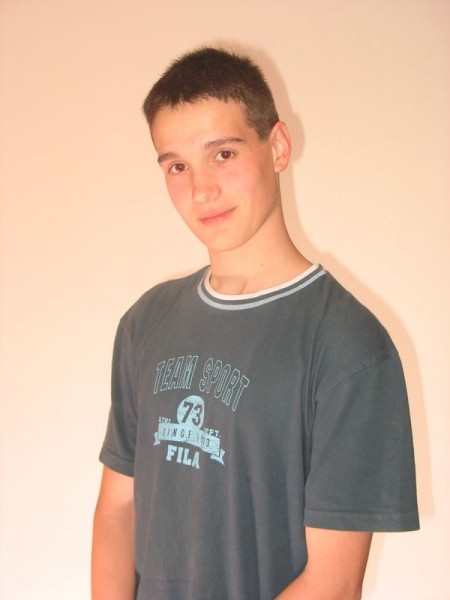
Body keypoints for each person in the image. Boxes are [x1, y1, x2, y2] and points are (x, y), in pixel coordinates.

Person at [91, 47, 419, 600]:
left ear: (279, 146)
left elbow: (333, 584)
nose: (201, 190)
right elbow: (117, 510)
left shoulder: (350, 346)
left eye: (223, 154)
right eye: (177, 166)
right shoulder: (145, 322)